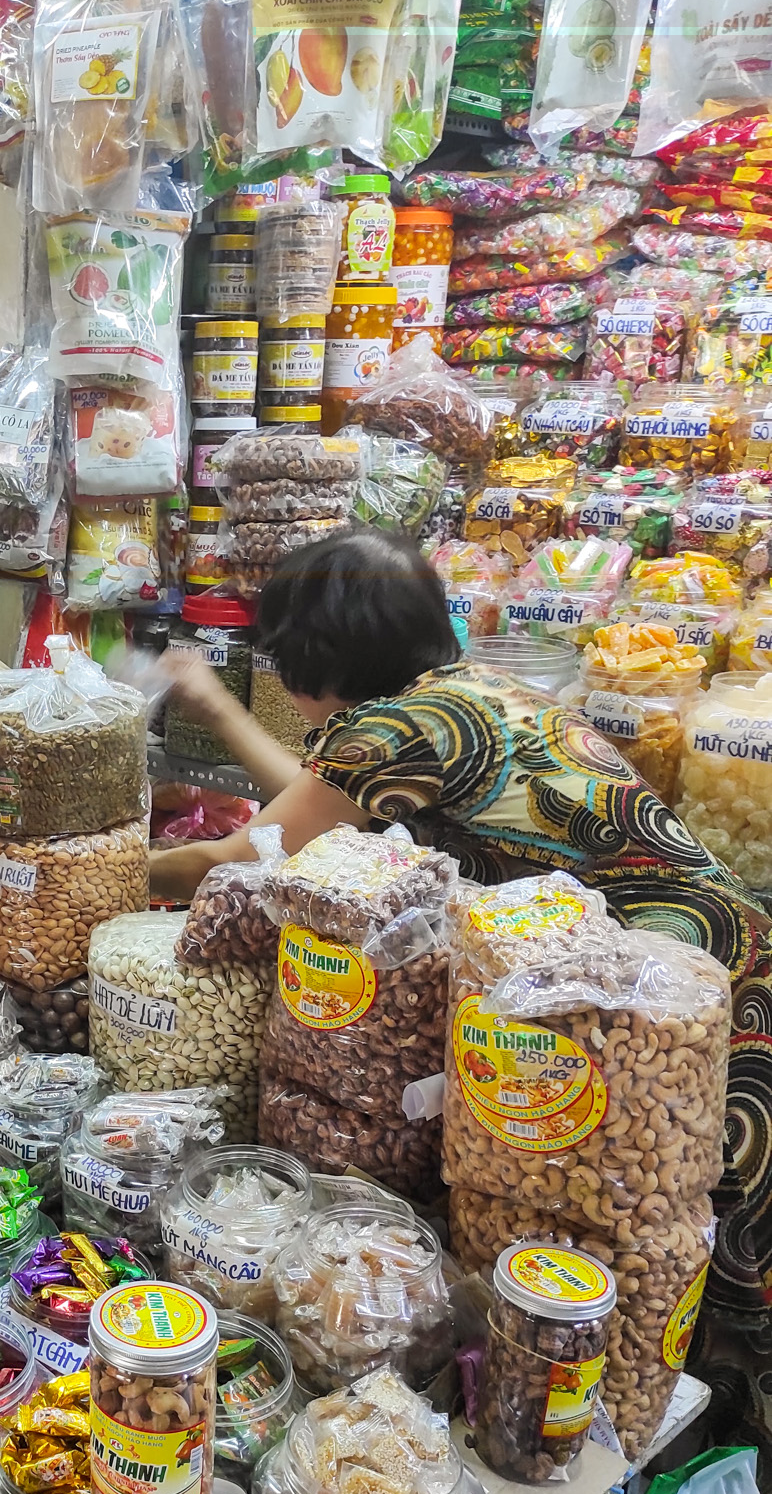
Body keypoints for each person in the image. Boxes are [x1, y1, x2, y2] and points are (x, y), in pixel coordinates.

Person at [151, 526, 772, 1305]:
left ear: (321, 658)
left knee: (683, 1206)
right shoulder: (459, 694)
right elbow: (324, 814)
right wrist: (217, 712)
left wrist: (92, 866)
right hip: (712, 949)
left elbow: (244, 858)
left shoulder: (392, 732)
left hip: (669, 976)